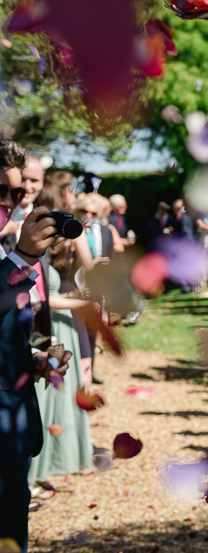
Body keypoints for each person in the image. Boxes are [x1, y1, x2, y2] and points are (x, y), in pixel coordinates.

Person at [0, 139, 71, 552]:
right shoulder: (15, 251)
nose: (14, 200)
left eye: (19, 191)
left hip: (13, 432)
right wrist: (23, 256)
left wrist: (32, 356)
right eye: (5, 191)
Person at [27, 186, 96, 490]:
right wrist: (80, 302)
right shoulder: (32, 249)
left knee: (61, 391)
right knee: (46, 392)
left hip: (60, 327)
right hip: (45, 330)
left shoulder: (52, 248)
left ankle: (48, 465)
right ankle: (32, 471)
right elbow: (41, 298)